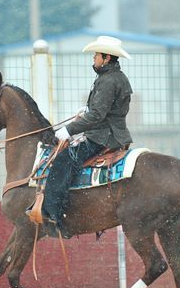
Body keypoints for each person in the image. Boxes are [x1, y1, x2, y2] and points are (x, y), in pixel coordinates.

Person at [40, 35, 134, 237]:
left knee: (63, 160)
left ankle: (55, 215)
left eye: (96, 55)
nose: (94, 58)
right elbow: (105, 110)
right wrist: (88, 109)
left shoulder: (108, 80)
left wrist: (69, 129)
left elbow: (98, 116)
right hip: (113, 133)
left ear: (106, 58)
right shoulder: (115, 77)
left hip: (103, 137)